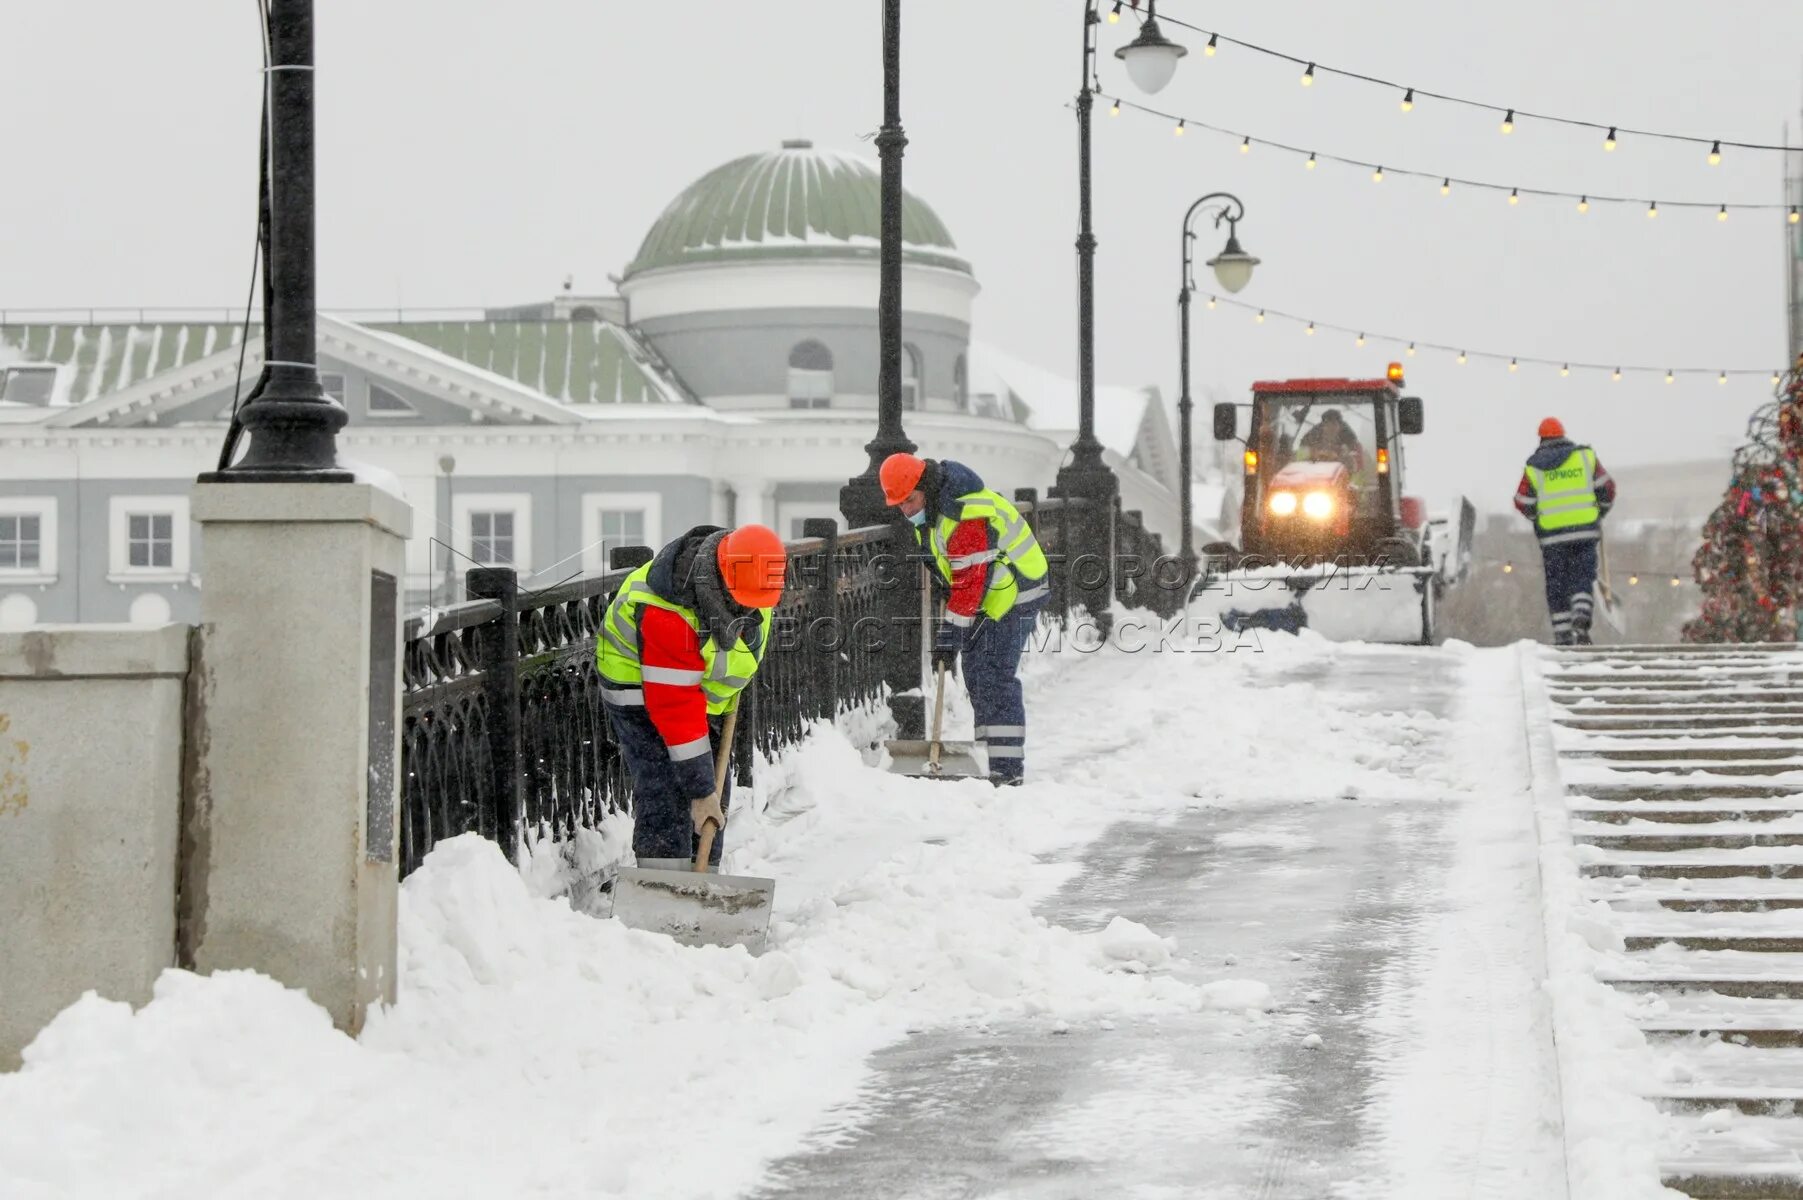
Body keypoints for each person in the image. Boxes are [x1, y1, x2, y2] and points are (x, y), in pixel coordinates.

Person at [597, 524, 786, 871]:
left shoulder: (756, 585)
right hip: (640, 688)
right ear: (724, 583)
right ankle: (662, 885)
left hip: (697, 693)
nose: (754, 611)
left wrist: (707, 792)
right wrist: (699, 792)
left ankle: (704, 880)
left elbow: (741, 647)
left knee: (715, 790)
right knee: (666, 787)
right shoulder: (667, 609)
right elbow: (675, 708)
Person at [880, 452, 1049, 786]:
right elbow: (957, 578)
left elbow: (969, 584)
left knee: (993, 676)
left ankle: (1007, 771)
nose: (907, 511)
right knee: (978, 674)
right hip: (992, 594)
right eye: (900, 505)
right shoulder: (933, 513)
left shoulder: (963, 516)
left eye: (910, 501)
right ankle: (989, 757)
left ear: (924, 487)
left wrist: (949, 638)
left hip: (1015, 594)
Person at [1514, 417, 1616, 646]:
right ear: (1564, 436)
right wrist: (1601, 512)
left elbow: (1522, 500)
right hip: (1584, 532)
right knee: (1582, 577)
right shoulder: (1585, 457)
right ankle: (1581, 616)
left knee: (1557, 584)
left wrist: (1537, 516)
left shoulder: (1534, 467)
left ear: (1541, 439)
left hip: (1552, 537)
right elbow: (1607, 488)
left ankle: (1562, 635)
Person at [1298, 408, 1364, 471]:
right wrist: (1314, 457)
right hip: (1313, 478)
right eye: (1327, 424)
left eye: (1334, 424)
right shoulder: (1310, 442)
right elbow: (1299, 463)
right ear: (1322, 426)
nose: (1331, 428)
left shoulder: (1351, 445)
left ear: (1340, 426)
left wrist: (1340, 458)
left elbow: (1356, 468)